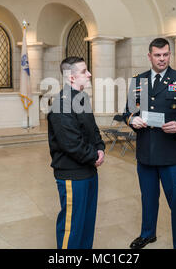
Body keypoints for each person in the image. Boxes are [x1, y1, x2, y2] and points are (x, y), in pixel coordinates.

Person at [123, 37, 176, 249]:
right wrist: (132, 120)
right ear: (149, 56)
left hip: (172, 154)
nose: (162, 59)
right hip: (146, 151)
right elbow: (127, 112)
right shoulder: (138, 81)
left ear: (170, 54)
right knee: (148, 198)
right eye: (157, 55)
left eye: (165, 54)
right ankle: (148, 234)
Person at [47, 56, 105, 249]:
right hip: (72, 174)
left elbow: (92, 129)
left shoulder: (82, 97)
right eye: (83, 71)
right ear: (71, 77)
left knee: (87, 224)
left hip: (88, 170)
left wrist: (100, 148)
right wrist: (94, 156)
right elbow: (71, 144)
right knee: (72, 228)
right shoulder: (61, 104)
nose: (89, 74)